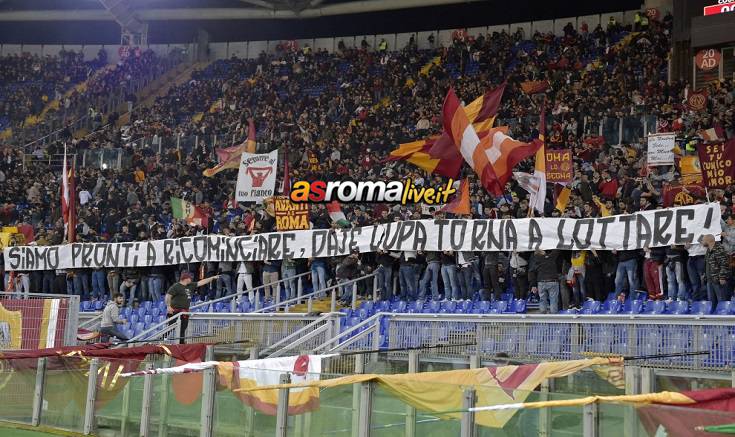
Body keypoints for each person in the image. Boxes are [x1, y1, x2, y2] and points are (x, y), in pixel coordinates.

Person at [166, 271, 220, 344]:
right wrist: (168, 306)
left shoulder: (190, 285)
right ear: (186, 279)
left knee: (183, 329)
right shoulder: (176, 286)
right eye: (190, 278)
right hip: (175, 311)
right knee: (170, 327)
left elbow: (202, 282)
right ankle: (162, 340)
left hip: (184, 312)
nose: (191, 280)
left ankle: (181, 344)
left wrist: (212, 278)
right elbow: (168, 296)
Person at [703, 235, 731, 310]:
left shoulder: (719, 249)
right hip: (710, 280)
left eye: (703, 240)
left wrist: (722, 277)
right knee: (712, 302)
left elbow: (724, 264)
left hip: (718, 280)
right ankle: (713, 316)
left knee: (721, 300)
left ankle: (723, 316)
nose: (702, 242)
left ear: (709, 240)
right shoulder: (708, 250)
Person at [529, 250, 562, 314]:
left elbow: (531, 273)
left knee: (542, 299)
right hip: (552, 281)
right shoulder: (550, 257)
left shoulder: (535, 262)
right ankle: (553, 316)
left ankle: (542, 316)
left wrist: (533, 285)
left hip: (541, 282)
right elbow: (557, 250)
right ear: (542, 253)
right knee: (553, 300)